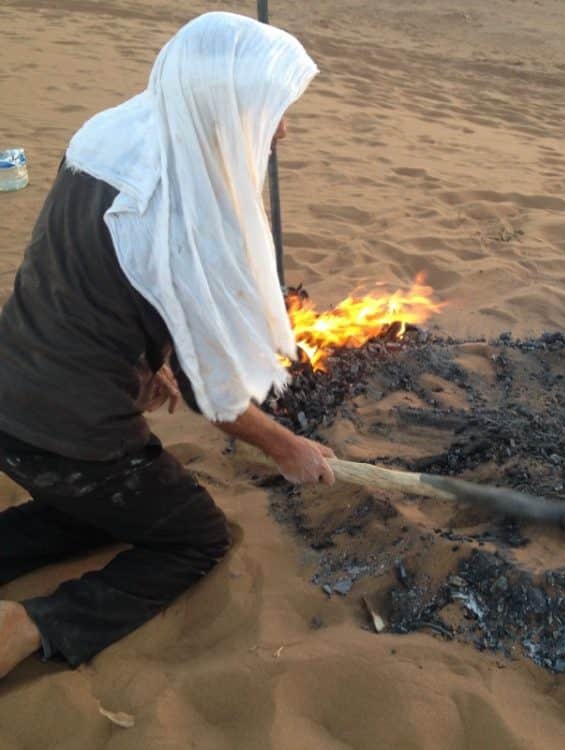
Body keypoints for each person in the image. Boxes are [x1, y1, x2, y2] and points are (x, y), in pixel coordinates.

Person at [0, 12, 334, 679]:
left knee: (107, 510)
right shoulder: (185, 207)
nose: (282, 131)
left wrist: (150, 360)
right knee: (193, 537)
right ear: (223, 105)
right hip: (68, 434)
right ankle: (29, 626)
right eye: (270, 113)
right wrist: (288, 448)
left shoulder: (112, 131)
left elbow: (106, 275)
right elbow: (216, 397)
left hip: (10, 391)